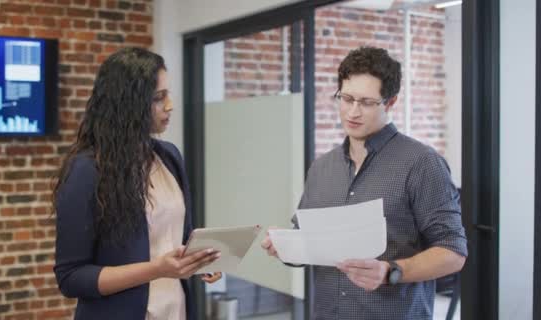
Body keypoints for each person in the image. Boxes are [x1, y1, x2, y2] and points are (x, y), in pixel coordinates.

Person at [261, 46, 467, 319]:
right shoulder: (322, 168)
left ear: (390, 102)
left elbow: (452, 251)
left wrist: (390, 271)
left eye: (367, 102)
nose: (353, 112)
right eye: (346, 98)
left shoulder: (422, 163)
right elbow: (307, 242)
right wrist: (285, 246)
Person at [53, 47, 222, 320]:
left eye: (168, 94)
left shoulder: (169, 156)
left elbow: (180, 236)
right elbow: (71, 278)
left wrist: (198, 260)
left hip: (175, 311)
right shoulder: (86, 169)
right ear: (128, 104)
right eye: (158, 98)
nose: (170, 105)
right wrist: (157, 269)